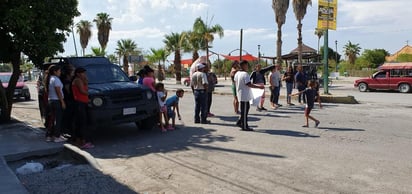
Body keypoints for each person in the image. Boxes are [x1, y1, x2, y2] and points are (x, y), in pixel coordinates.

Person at [234, 60, 264, 131]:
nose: (247, 67)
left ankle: (240, 122)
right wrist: (259, 87)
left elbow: (235, 82)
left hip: (241, 94)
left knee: (246, 109)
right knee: (244, 111)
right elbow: (248, 84)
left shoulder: (237, 73)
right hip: (244, 95)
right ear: (243, 65)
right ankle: (244, 126)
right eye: (247, 65)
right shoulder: (245, 74)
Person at [72, 67, 94, 149]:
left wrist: (85, 79)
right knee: (82, 122)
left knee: (84, 122)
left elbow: (86, 86)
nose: (84, 74)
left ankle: (80, 140)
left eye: (84, 73)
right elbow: (82, 91)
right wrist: (89, 94)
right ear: (78, 73)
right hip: (79, 103)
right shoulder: (77, 80)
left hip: (83, 102)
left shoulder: (82, 80)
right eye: (82, 73)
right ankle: (83, 141)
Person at [44, 65, 67, 142]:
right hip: (57, 101)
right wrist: (62, 101)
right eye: (59, 71)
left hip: (51, 100)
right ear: (55, 71)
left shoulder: (50, 79)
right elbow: (58, 91)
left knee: (52, 119)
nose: (60, 72)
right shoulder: (56, 79)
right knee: (58, 119)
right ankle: (57, 136)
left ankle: (49, 135)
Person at [60, 64, 75, 138]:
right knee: (68, 116)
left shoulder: (70, 79)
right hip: (68, 100)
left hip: (69, 100)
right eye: (72, 70)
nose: (74, 72)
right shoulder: (66, 80)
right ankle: (66, 131)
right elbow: (68, 91)